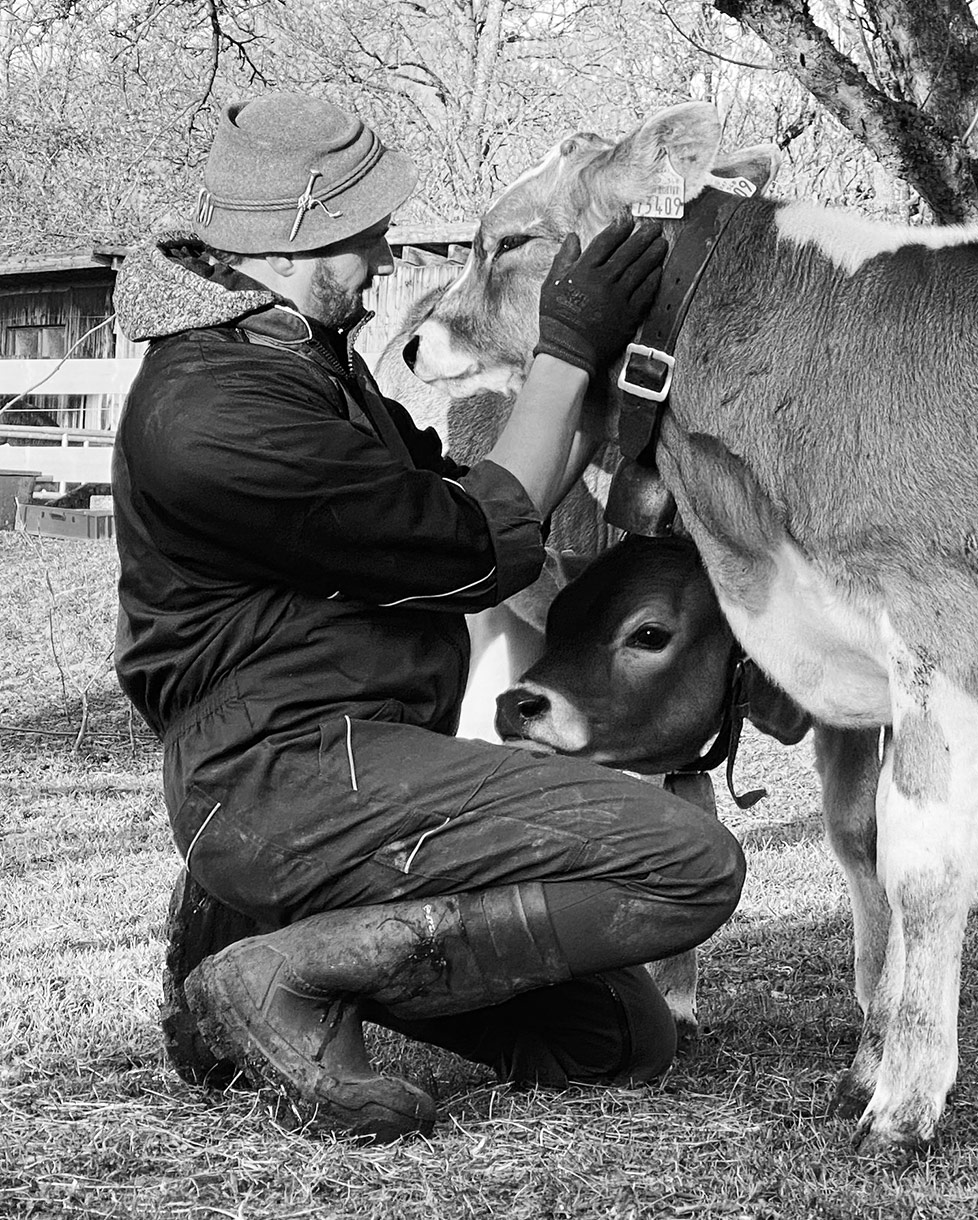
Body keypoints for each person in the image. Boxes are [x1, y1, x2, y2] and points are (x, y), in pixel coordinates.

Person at [111, 94, 744, 1140]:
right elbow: (476, 542)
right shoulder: (216, 414)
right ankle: (283, 965)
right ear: (295, 239)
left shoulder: (294, 358)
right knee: (689, 862)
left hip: (363, 754)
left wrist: (609, 379)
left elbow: (461, 487)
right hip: (284, 766)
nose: (382, 251)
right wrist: (565, 346)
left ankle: (256, 937)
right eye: (363, 233)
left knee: (614, 1042)